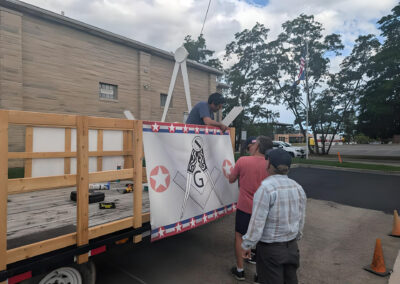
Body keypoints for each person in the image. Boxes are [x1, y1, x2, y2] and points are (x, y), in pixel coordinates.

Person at [241, 148, 306, 284]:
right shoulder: (298, 187)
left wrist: (247, 244)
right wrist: (295, 237)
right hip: (292, 248)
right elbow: (300, 218)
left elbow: (257, 222)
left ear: (269, 165)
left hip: (271, 250)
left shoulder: (266, 188)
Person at [229, 136, 273, 281]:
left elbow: (231, 179)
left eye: (253, 144)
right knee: (262, 239)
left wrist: (229, 172)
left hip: (245, 208)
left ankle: (240, 270)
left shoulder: (243, 161)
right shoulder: (271, 164)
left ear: (258, 146)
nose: (250, 146)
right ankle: (259, 275)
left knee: (240, 236)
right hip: (264, 209)